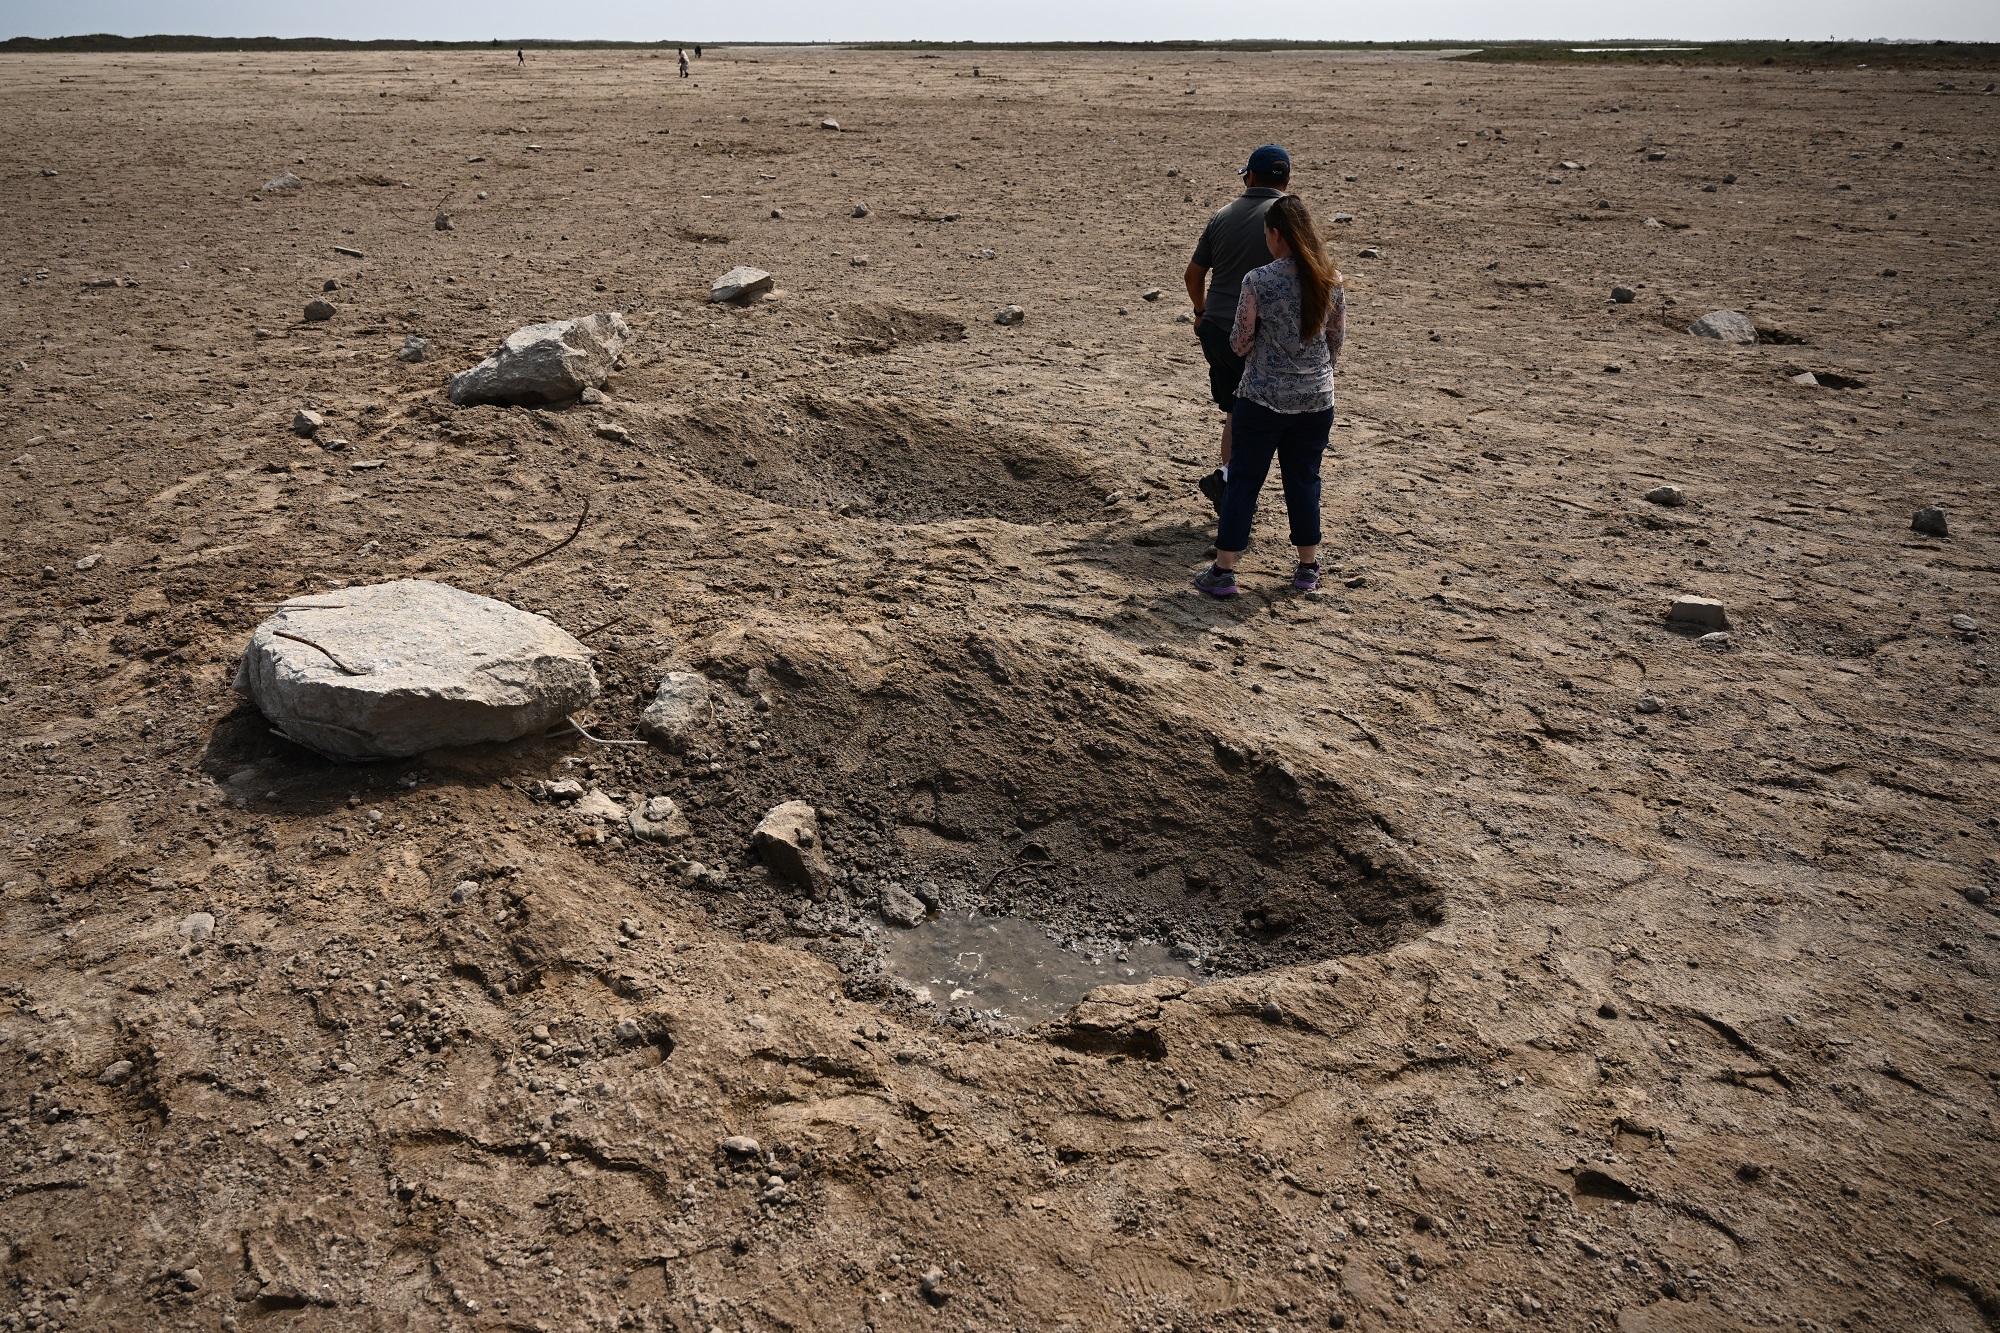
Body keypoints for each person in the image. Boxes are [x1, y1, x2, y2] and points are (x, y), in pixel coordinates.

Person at [1193, 194, 1345, 598]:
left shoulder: (1258, 280)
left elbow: (1241, 342)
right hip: (1315, 399)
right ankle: (1307, 568)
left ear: (1277, 234)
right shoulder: (1331, 278)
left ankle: (1224, 571)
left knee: (1245, 479)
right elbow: (1335, 343)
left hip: (1262, 397)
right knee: (1304, 479)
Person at [1184, 144, 1291, 513]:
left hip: (1215, 329)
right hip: (1259, 337)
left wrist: (1200, 311)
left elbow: (1193, 274)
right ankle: (1232, 481)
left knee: (1235, 407)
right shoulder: (1288, 220)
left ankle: (1229, 481)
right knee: (1259, 417)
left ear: (1250, 176)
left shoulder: (1222, 215)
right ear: (1287, 180)